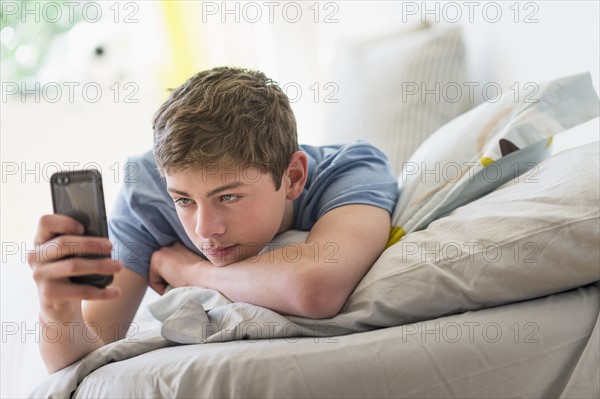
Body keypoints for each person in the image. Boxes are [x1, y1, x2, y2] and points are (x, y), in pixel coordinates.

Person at [28, 67, 399, 373]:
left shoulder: (353, 169)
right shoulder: (148, 192)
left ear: (294, 177)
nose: (205, 230)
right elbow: (85, 354)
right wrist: (57, 311)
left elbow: (315, 288)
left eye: (228, 196)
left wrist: (188, 271)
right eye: (184, 201)